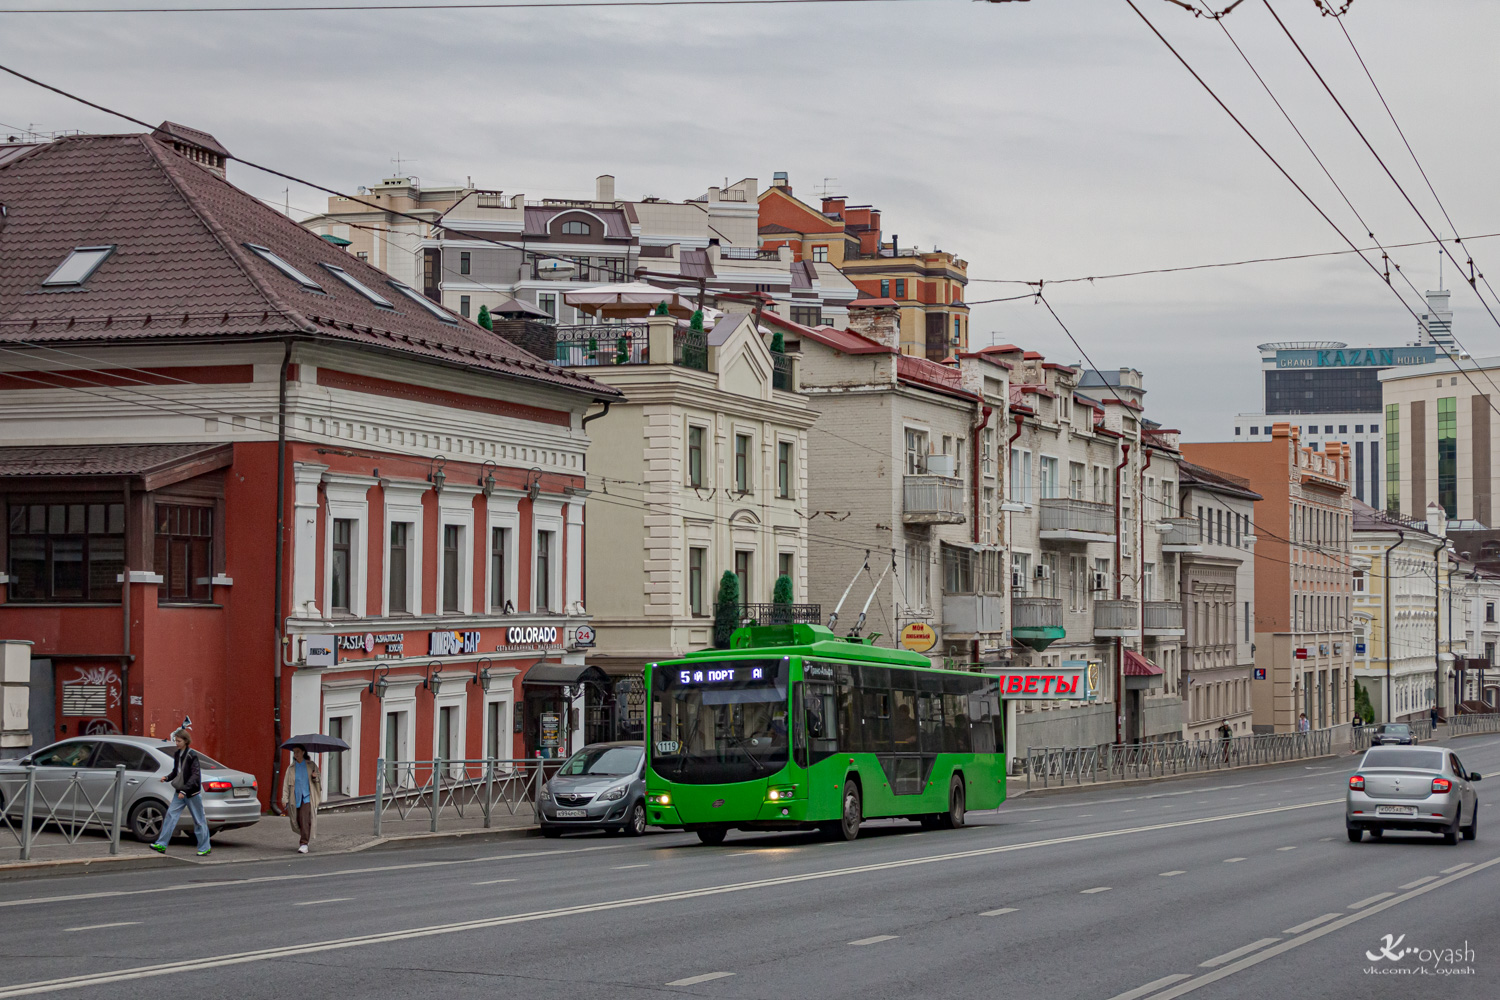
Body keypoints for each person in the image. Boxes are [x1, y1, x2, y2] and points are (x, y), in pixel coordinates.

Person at [151, 728, 211, 857]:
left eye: (179, 741)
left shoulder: (192, 755)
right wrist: (167, 778)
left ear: (185, 741)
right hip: (180, 792)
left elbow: (195, 776)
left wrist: (184, 790)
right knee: (170, 816)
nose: (176, 743)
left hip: (192, 793)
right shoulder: (177, 754)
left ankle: (205, 847)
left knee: (199, 820)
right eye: (176, 741)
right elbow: (176, 772)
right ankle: (161, 844)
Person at [279, 745, 321, 854]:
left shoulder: (311, 765)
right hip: (295, 798)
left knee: (305, 819)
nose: (296, 754)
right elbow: (286, 785)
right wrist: (285, 798)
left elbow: (318, 781)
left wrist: (314, 776)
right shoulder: (291, 768)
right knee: (296, 820)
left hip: (307, 797)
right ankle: (304, 835)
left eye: (297, 752)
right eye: (294, 752)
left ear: (303, 752)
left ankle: (304, 843)